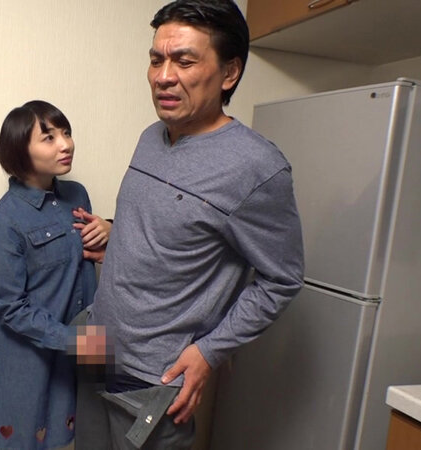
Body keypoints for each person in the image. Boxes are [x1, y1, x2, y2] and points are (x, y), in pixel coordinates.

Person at [81, 1, 305, 448]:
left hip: (152, 378)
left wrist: (208, 351)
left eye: (184, 61)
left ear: (229, 73)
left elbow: (282, 279)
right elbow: (171, 224)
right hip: (95, 346)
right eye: (156, 60)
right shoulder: (151, 136)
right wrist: (119, 242)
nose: (163, 76)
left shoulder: (256, 168)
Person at [0, 100, 111, 450]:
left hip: (75, 359)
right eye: (49, 137)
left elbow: (85, 256)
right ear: (19, 149)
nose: (66, 144)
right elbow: (10, 307)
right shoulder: (3, 221)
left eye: (66, 133)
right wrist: (77, 342)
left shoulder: (77, 195)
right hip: (25, 363)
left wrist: (110, 229)